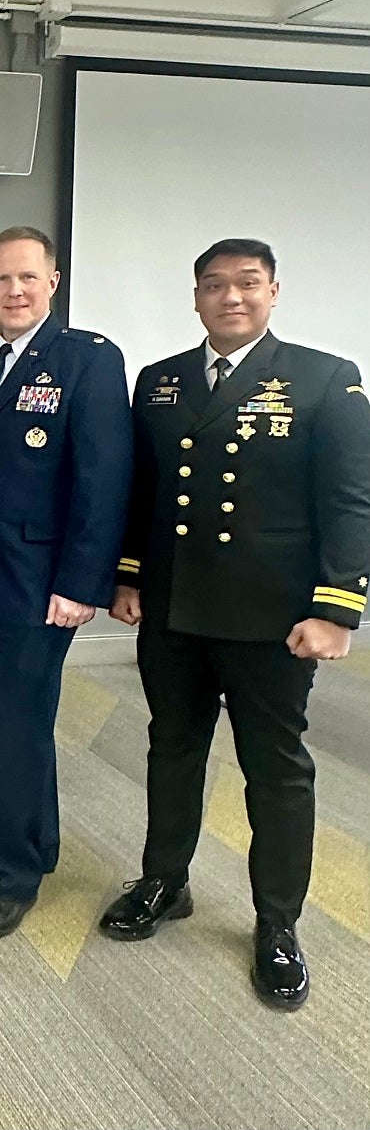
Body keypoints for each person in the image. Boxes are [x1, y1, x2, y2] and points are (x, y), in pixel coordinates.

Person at [101, 238, 370, 1010]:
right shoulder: (160, 381)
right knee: (172, 750)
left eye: (247, 284)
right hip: (177, 611)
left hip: (272, 620)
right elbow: (143, 493)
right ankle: (165, 880)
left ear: (274, 291)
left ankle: (277, 923)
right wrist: (129, 579)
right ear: (195, 297)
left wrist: (336, 607)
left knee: (276, 771)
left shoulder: (324, 378)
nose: (231, 298)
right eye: (214, 286)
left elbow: (351, 501)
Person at [0, 227, 133, 938]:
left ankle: (12, 876)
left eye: (28, 277)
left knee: (19, 724)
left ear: (53, 281)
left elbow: (103, 476)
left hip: (42, 580)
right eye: (2, 279)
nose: (15, 290)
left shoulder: (88, 359)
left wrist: (83, 581)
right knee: (8, 716)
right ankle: (27, 839)